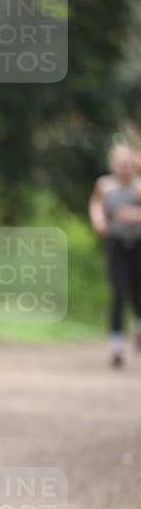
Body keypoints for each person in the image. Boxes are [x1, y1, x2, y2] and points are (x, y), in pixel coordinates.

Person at [88, 143, 141, 367]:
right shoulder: (105, 186)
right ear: (113, 165)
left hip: (139, 244)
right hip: (116, 244)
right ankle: (117, 345)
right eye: (120, 164)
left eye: (128, 163)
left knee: (138, 290)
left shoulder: (139, 187)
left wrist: (134, 215)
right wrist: (98, 220)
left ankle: (138, 328)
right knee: (118, 291)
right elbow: (96, 204)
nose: (124, 168)